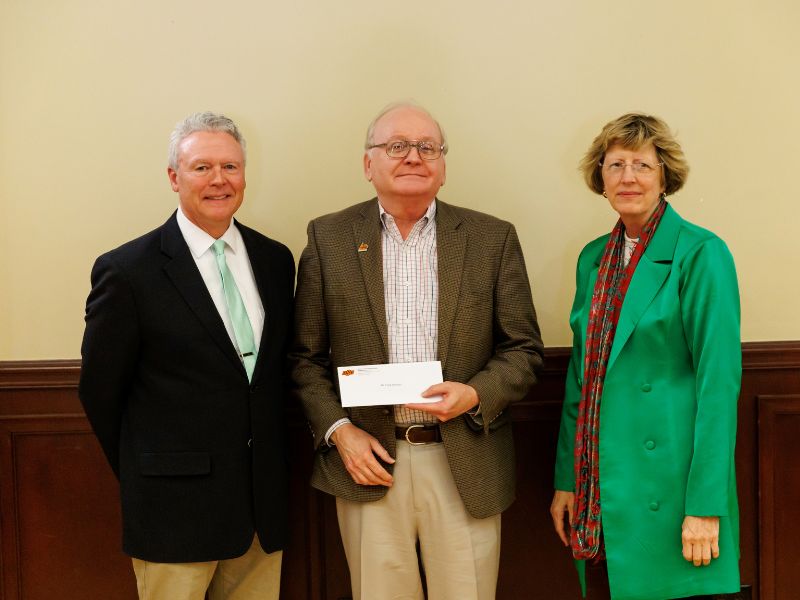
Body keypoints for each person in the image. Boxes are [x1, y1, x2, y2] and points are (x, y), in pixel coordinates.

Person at [290, 102, 544, 599]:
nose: (413, 157)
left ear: (443, 167)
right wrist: (341, 433)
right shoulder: (329, 239)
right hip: (368, 460)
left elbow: (524, 349)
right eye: (396, 146)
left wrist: (474, 394)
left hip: (464, 456)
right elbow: (305, 359)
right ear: (369, 164)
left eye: (427, 147)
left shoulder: (491, 238)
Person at [78, 112, 294, 600]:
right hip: (172, 513)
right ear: (174, 177)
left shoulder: (275, 260)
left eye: (231, 167)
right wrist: (150, 470)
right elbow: (100, 391)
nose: (219, 180)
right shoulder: (128, 271)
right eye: (202, 168)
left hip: (261, 513)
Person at [550, 113, 741, 600]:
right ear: (601, 177)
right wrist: (568, 482)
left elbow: (718, 387)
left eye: (642, 165)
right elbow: (582, 379)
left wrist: (705, 506)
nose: (628, 177)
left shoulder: (700, 253)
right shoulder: (592, 258)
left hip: (672, 489)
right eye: (615, 165)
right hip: (603, 489)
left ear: (664, 175)